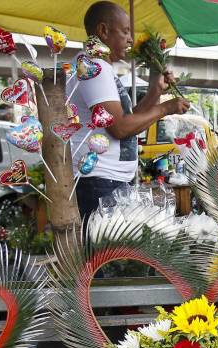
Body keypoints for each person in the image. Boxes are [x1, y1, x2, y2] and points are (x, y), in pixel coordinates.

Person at [68, 1, 190, 220]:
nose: (131, 40)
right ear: (103, 31)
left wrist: (155, 92)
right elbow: (120, 128)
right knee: (107, 252)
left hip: (106, 181)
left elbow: (128, 118)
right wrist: (166, 108)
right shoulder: (93, 66)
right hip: (99, 181)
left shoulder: (97, 66)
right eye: (125, 32)